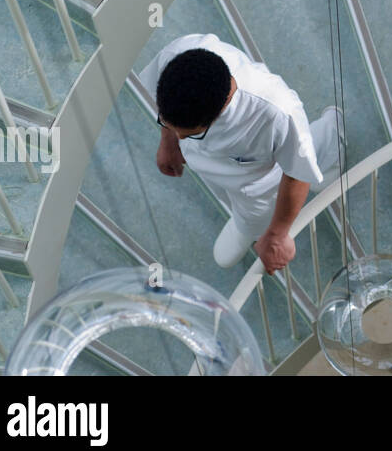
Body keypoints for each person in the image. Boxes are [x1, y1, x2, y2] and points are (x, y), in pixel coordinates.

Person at [137, 33, 343, 274]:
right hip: (219, 169)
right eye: (172, 126)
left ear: (218, 112)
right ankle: (327, 147)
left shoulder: (275, 113)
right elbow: (171, 115)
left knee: (295, 160)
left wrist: (276, 236)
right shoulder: (177, 56)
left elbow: (296, 174)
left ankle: (333, 134)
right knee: (293, 153)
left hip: (258, 182)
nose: (181, 139)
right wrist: (168, 141)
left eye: (190, 133)